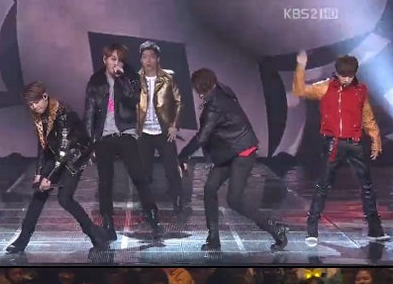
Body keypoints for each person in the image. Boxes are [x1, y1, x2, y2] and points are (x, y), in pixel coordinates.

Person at [178, 68, 288, 252]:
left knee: (234, 200)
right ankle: (213, 238)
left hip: (242, 151)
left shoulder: (215, 104)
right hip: (228, 152)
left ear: (199, 87)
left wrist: (183, 155)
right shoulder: (220, 92)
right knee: (210, 188)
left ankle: (276, 230)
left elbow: (202, 137)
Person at [293, 51, 388, 245]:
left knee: (367, 187)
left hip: (355, 144)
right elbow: (300, 90)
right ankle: (312, 230)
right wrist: (301, 66)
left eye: (350, 75)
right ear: (337, 73)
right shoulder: (326, 87)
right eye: (343, 75)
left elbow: (367, 116)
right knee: (322, 186)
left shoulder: (361, 90)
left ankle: (375, 230)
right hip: (333, 144)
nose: (346, 79)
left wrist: (375, 139)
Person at [6, 81, 109, 254]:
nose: (33, 107)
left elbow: (64, 148)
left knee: (65, 199)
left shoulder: (63, 113)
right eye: (30, 104)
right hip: (56, 156)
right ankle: (22, 240)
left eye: (36, 102)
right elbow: (43, 146)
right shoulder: (38, 117)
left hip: (74, 156)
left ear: (45, 96)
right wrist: (39, 173)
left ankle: (95, 235)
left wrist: (49, 177)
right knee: (38, 195)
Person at [84, 42, 161, 241]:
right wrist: (89, 143)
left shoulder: (131, 75)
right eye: (113, 59)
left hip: (126, 132)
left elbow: (133, 98)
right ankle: (108, 225)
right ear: (105, 60)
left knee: (139, 178)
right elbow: (89, 112)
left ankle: (154, 220)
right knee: (105, 182)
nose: (116, 63)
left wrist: (122, 78)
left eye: (120, 60)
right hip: (103, 136)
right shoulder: (95, 81)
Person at [137, 41, 184, 214]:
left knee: (171, 171)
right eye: (145, 57)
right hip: (143, 132)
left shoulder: (168, 78)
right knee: (144, 172)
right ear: (141, 60)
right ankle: (147, 205)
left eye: (152, 56)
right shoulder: (136, 79)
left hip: (164, 131)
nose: (148, 60)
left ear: (157, 59)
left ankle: (178, 202)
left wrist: (174, 125)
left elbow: (179, 102)